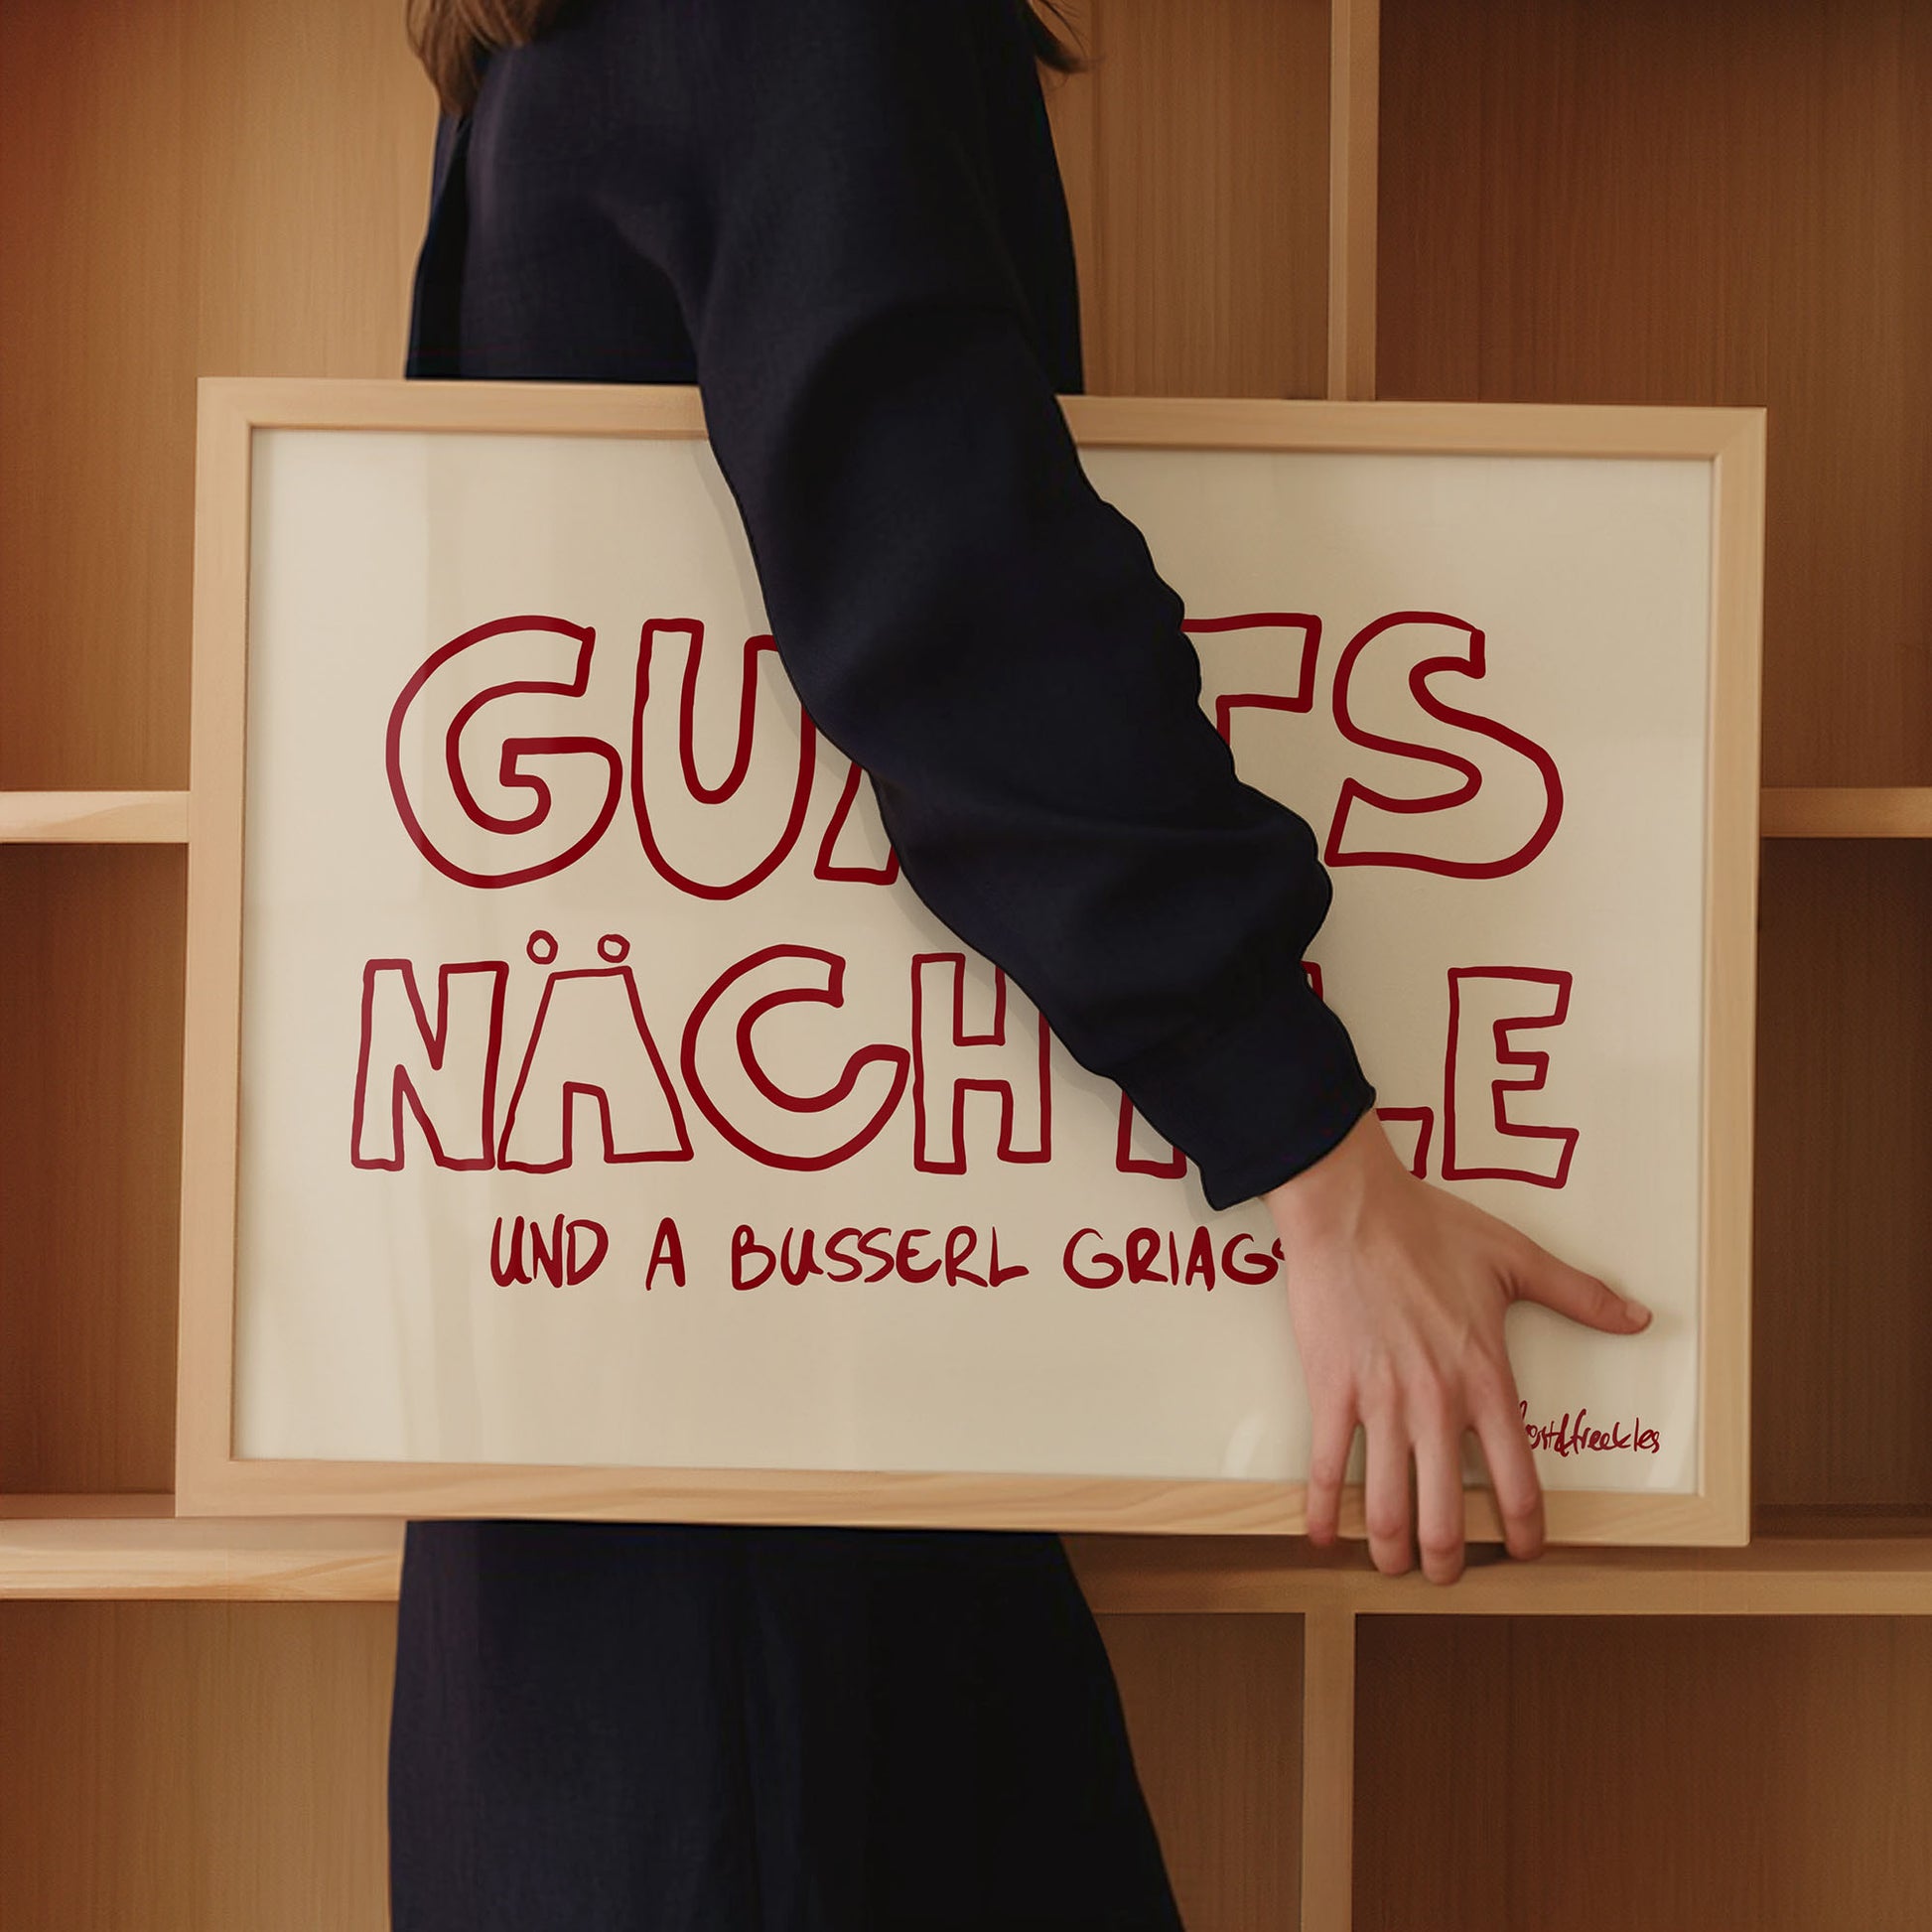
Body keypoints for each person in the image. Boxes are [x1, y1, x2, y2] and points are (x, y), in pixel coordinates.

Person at [390, 2, 1655, 1926]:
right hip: (777, 1462)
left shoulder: (572, 39)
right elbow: (948, 590)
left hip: (679, 1368)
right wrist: (1311, 1153)